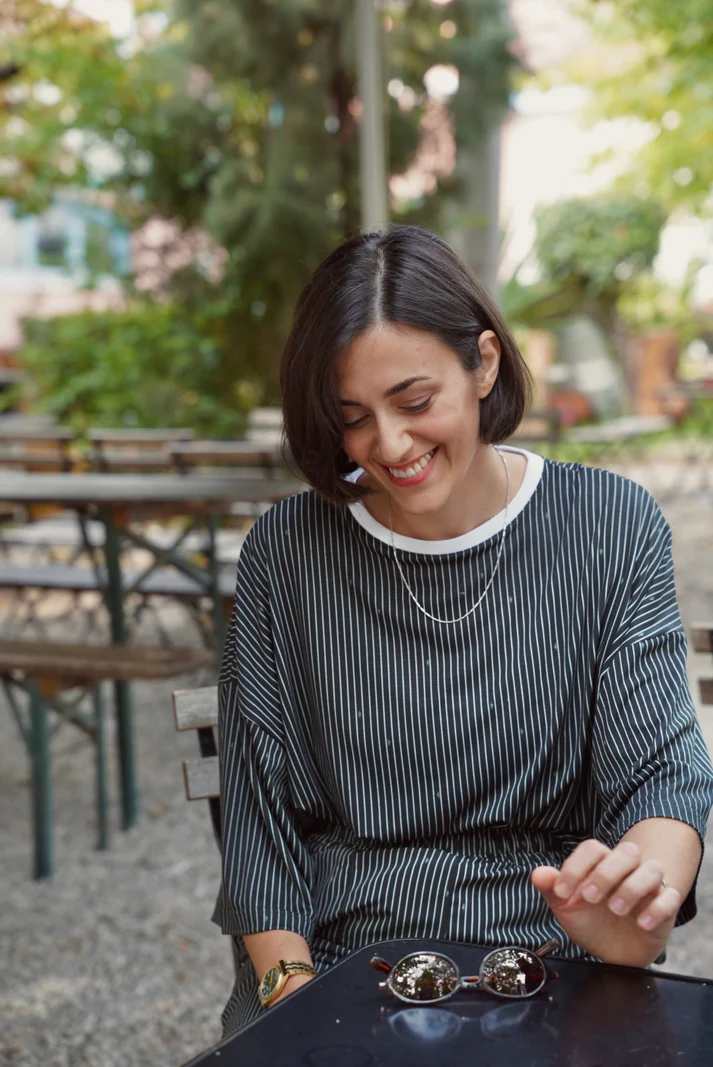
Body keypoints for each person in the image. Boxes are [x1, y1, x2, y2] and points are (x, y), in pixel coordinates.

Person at [212, 225, 713, 1035]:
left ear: (483, 363)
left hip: (552, 952)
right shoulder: (287, 551)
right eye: (352, 417)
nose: (389, 444)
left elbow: (660, 770)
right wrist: (295, 1004)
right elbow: (260, 825)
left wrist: (635, 905)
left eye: (414, 402)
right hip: (341, 959)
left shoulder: (609, 526)